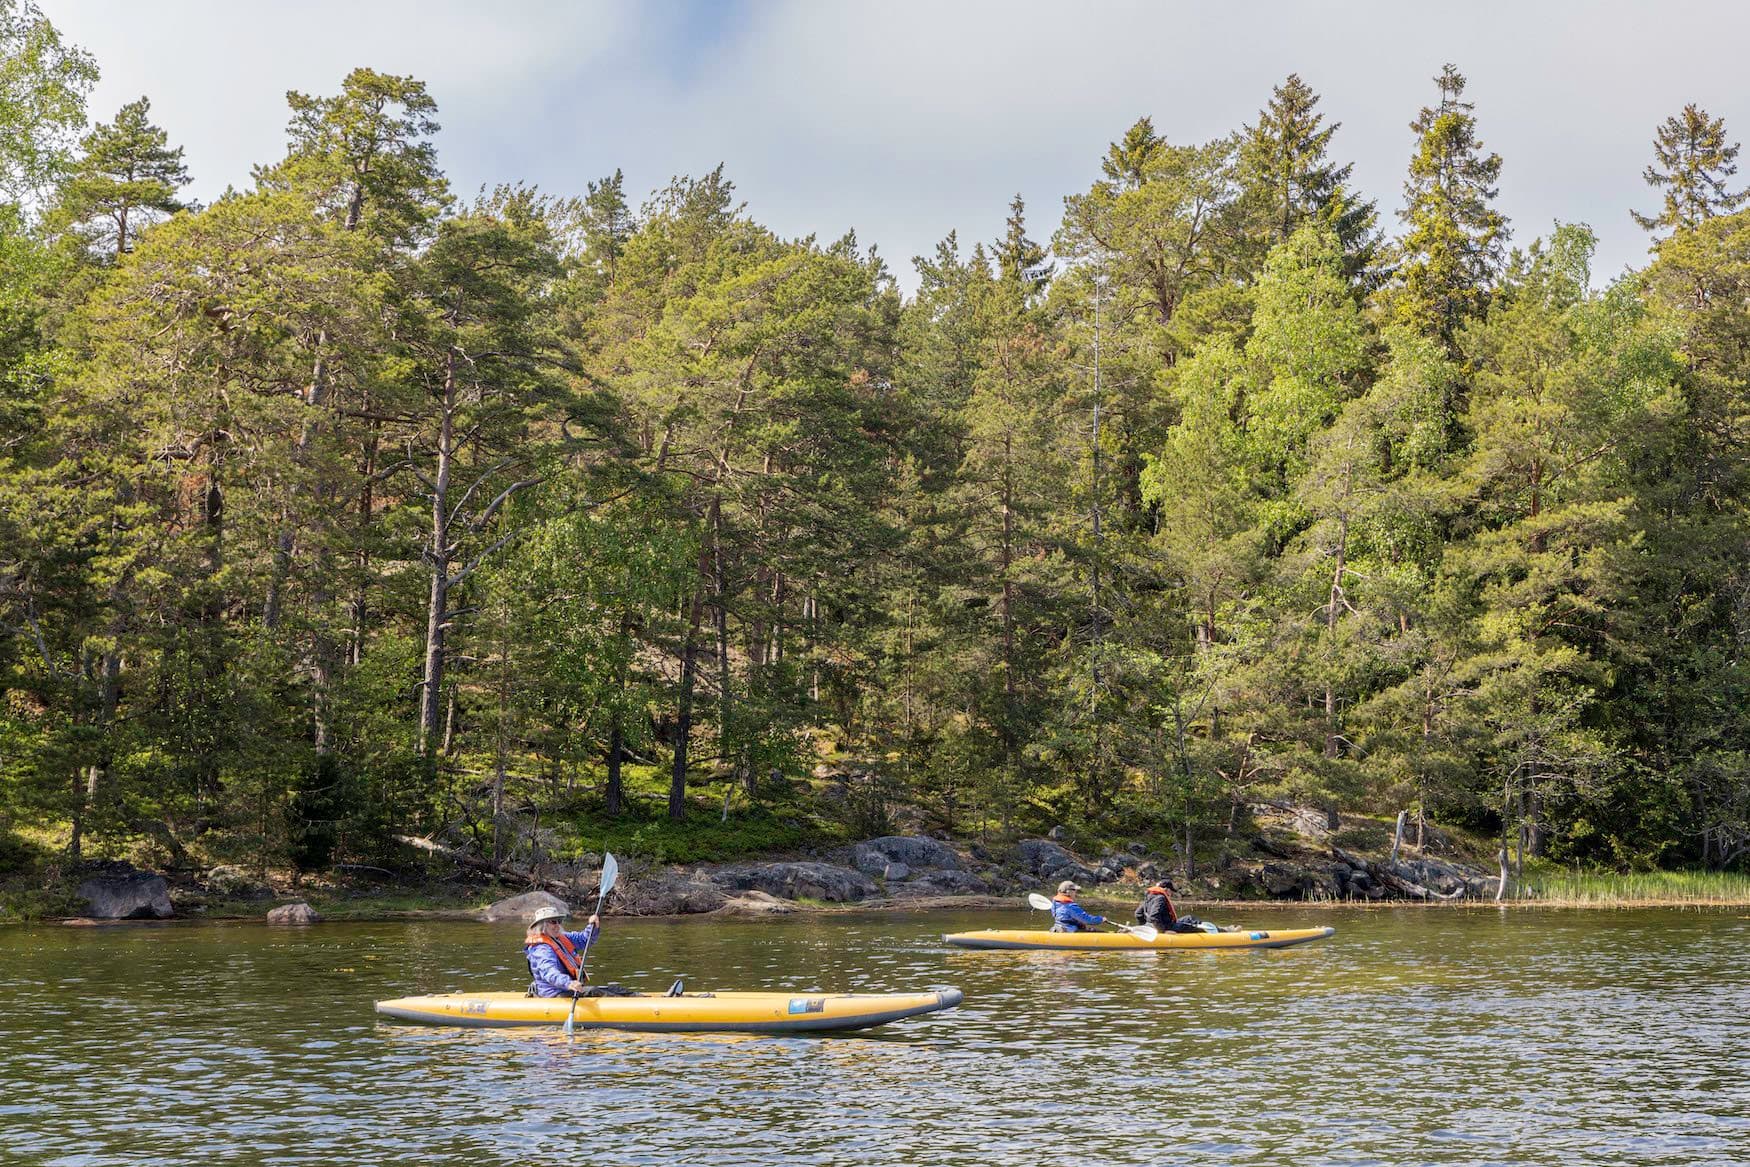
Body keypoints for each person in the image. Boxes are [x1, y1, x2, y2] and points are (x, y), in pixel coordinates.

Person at [523, 904, 600, 997]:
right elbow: (549, 972)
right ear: (542, 925)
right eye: (553, 922)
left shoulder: (561, 937)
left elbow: (585, 940)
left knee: (616, 990)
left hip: (568, 989)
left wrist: (593, 926)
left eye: (559, 921)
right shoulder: (541, 949)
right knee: (596, 992)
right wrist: (568, 983)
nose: (558, 925)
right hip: (554, 993)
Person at [1134, 880, 1215, 934]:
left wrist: (1144, 926)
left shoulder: (1149, 897)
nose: (1171, 894)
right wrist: (1163, 931)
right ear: (1167, 890)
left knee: (1189, 918)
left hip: (1151, 926)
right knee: (1189, 925)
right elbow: (1154, 916)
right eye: (1171, 891)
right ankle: (1211, 934)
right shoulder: (1160, 898)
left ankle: (1215, 929)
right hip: (1164, 927)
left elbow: (1138, 914)